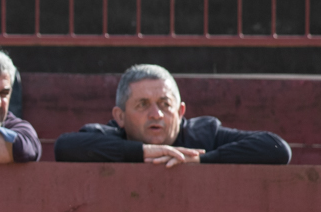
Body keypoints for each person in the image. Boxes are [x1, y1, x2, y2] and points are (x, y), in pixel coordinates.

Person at [54, 64, 291, 166]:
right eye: (143, 104)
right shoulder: (109, 138)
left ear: (180, 112)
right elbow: (64, 147)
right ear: (120, 116)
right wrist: (143, 153)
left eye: (165, 104)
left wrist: (200, 160)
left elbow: (277, 148)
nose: (156, 114)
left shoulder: (204, 136)